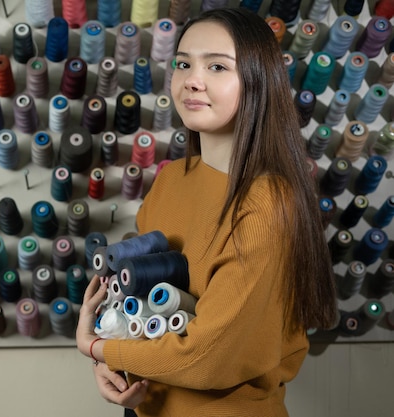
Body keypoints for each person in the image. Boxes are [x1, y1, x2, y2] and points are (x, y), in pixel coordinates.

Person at [76, 7, 338, 417]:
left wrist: (94, 345)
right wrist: (109, 360)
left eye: (217, 66)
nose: (192, 80)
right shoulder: (172, 179)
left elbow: (207, 356)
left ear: (257, 82)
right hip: (147, 406)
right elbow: (135, 306)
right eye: (183, 63)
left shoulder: (267, 201)